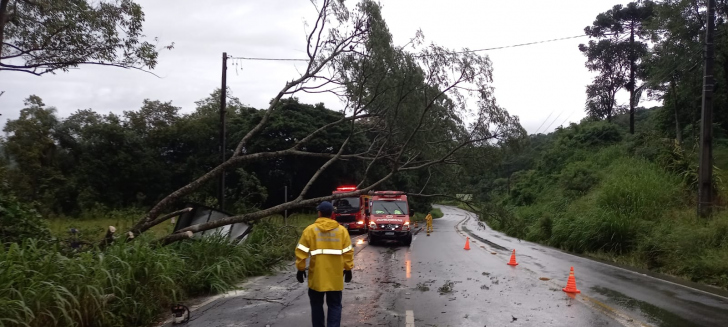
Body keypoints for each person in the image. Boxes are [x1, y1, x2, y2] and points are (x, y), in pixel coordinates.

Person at [295, 201, 354, 327]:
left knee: (316, 306)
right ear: (332, 214)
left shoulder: (310, 230)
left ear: (319, 213)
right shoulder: (342, 231)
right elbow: (348, 252)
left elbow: (301, 251)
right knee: (335, 305)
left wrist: (300, 269)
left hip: (317, 277)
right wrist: (348, 269)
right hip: (335, 278)